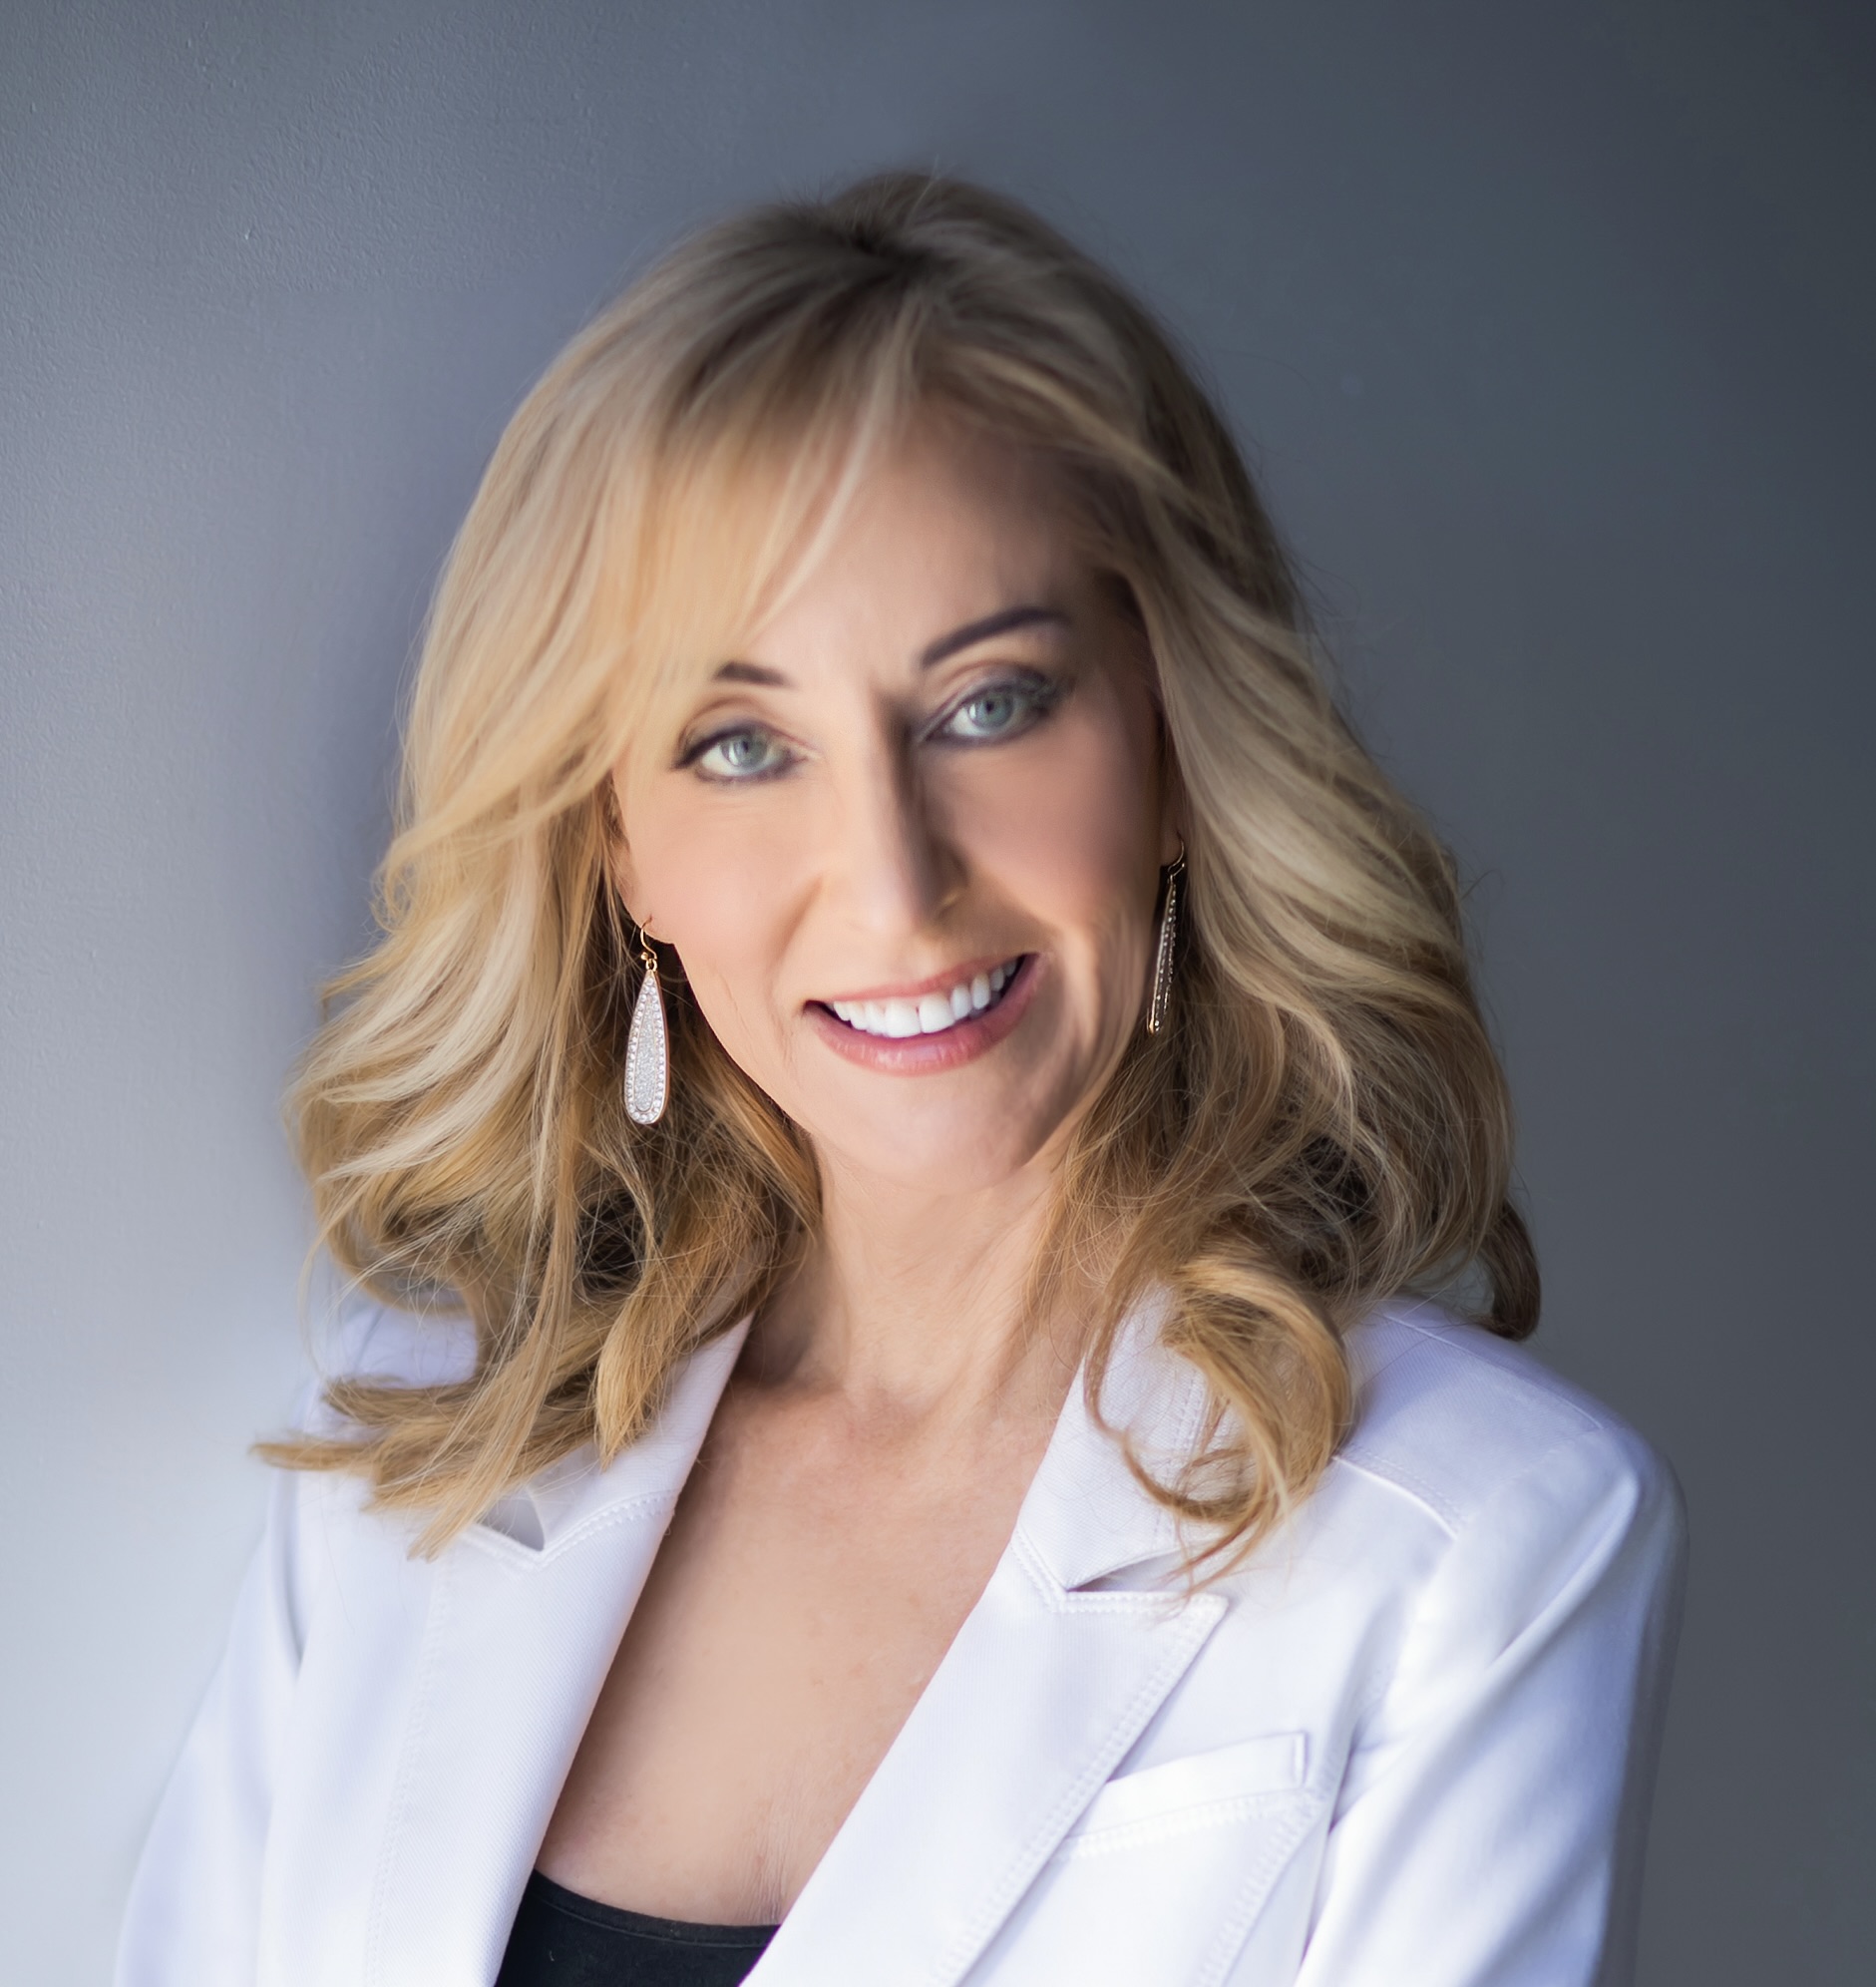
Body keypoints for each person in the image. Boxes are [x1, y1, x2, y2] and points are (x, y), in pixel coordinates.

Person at [116, 172, 1686, 1987]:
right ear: (616, 847)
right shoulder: (408, 1444)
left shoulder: (1482, 1546)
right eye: (739, 743)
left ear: (1174, 747)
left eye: (988, 704)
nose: (891, 882)